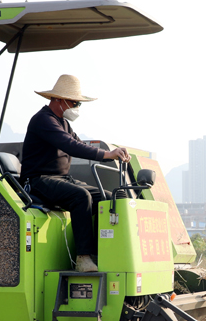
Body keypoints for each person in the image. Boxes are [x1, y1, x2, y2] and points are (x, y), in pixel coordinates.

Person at [20, 74, 130, 272]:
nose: (77, 107)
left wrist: (114, 153)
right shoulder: (43, 120)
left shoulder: (63, 123)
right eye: (75, 102)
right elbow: (71, 146)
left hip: (61, 179)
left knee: (106, 198)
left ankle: (102, 251)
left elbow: (79, 143)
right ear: (59, 100)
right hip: (37, 180)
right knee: (81, 196)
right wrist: (108, 154)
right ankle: (83, 258)